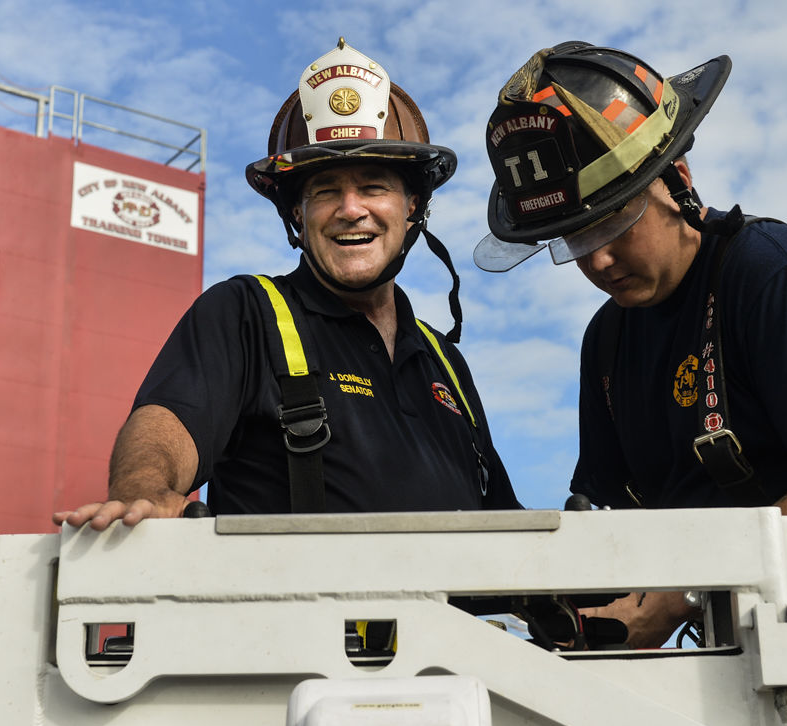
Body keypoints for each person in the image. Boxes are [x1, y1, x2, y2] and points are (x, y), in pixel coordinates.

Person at [473, 42, 787, 660]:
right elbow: (613, 520)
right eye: (572, 241)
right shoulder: (608, 342)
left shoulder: (782, 279)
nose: (598, 261)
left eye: (612, 223)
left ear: (678, 181)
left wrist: (685, 590)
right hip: (743, 637)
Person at [54, 37, 519, 530]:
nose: (350, 208)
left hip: (453, 611)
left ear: (412, 208)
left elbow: (507, 523)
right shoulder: (245, 312)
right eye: (325, 191)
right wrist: (144, 489)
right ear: (296, 214)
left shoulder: (445, 362)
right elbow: (169, 421)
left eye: (373, 185)